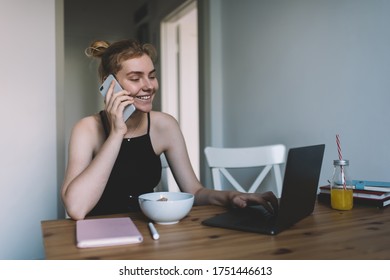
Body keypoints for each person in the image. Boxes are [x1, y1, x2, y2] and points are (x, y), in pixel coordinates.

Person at [61, 39, 278, 220]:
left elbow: (194, 191)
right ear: (109, 85)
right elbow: (76, 209)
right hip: (97, 239)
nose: (149, 86)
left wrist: (231, 196)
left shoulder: (165, 125)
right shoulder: (87, 129)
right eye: (136, 78)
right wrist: (117, 132)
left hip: (149, 234)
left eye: (152, 76)